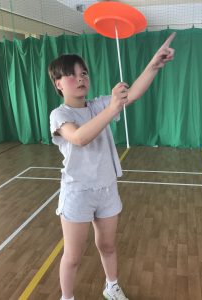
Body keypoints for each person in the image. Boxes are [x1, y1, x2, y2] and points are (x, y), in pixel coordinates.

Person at [48, 32, 176, 300]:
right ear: (58, 84)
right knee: (72, 256)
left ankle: (111, 285)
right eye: (72, 74)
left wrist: (154, 64)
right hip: (78, 191)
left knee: (107, 245)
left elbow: (134, 92)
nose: (81, 78)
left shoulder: (98, 105)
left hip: (106, 187)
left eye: (84, 72)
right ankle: (67, 297)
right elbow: (80, 137)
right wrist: (112, 108)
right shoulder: (60, 115)